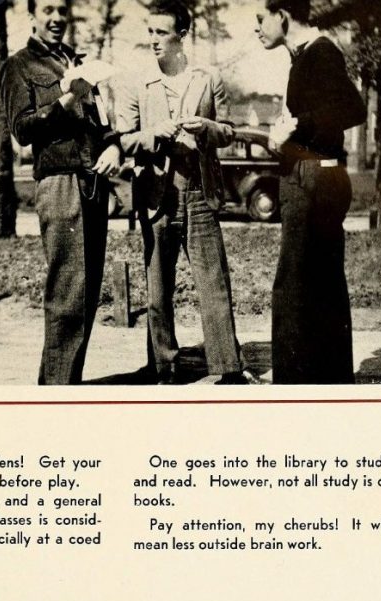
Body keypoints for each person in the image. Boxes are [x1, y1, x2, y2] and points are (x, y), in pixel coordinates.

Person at [115, 0, 258, 385]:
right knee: (157, 284)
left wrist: (206, 127)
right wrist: (155, 134)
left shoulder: (208, 80)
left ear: (182, 34)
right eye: (150, 32)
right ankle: (164, 366)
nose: (154, 40)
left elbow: (229, 131)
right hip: (157, 194)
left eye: (162, 32)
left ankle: (228, 366)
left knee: (214, 280)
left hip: (199, 191)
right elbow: (124, 140)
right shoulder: (137, 83)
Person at [0, 0, 122, 385]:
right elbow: (22, 130)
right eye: (47, 10)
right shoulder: (18, 65)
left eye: (61, 11)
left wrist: (114, 145)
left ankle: (65, 384)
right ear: (32, 15)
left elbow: (101, 119)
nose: (55, 19)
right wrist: (67, 99)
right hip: (59, 181)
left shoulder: (79, 62)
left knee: (86, 294)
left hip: (93, 181)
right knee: (67, 293)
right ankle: (55, 394)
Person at [254, 0, 366, 384]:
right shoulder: (305, 56)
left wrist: (295, 127)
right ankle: (328, 383)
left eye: (260, 19)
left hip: (314, 180)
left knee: (294, 285)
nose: (257, 28)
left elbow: (354, 107)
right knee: (321, 284)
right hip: (317, 177)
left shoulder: (320, 53)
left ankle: (292, 387)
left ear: (282, 15)